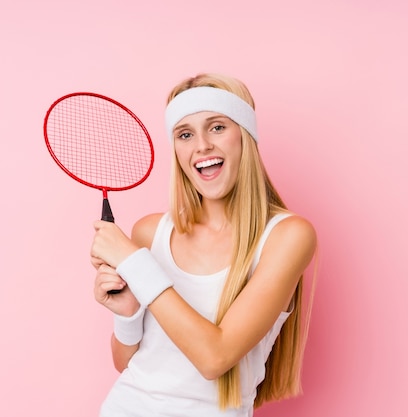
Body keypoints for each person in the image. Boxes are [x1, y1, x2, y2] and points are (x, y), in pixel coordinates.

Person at [90, 73, 317, 417]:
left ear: (246, 135)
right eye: (185, 134)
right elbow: (126, 363)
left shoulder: (288, 236)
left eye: (217, 127)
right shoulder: (151, 233)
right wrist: (126, 314)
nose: (202, 146)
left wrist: (135, 264)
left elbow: (215, 358)